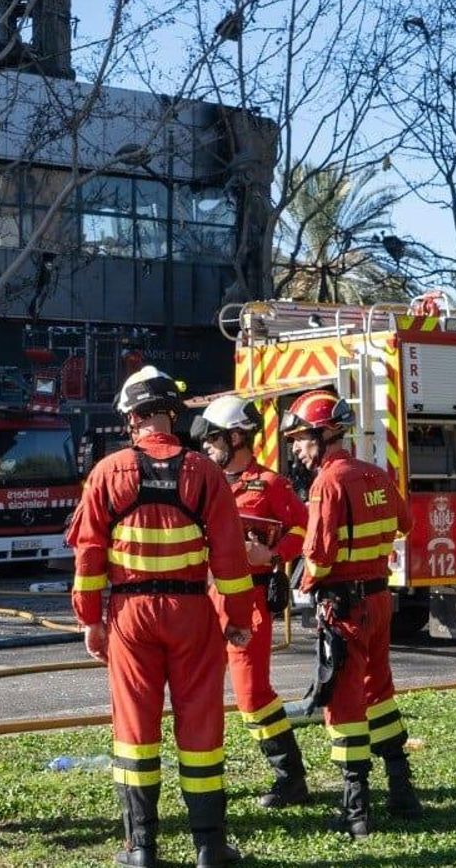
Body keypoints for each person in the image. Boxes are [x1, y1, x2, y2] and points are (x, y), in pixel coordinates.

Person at [67, 366, 257, 868]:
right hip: (193, 612)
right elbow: (231, 560)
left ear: (132, 418)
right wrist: (238, 617)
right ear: (172, 416)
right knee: (200, 728)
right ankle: (210, 846)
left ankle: (141, 848)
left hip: (131, 616)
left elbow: (89, 556)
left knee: (134, 727)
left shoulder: (108, 472)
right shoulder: (206, 473)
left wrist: (91, 619)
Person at [282, 389, 422, 839]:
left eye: (301, 439)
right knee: (379, 693)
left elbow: (319, 557)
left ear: (325, 435)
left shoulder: (328, 483)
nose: (297, 450)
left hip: (343, 608)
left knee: (343, 702)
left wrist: (298, 583)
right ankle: (402, 789)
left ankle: (356, 807)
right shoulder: (376, 475)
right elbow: (405, 524)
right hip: (379, 602)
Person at [190, 394, 312, 809]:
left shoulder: (271, 484)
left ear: (237, 438)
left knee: (252, 694)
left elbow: (304, 531)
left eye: (213, 440)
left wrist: (274, 555)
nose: (206, 448)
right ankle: (208, 778)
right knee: (200, 693)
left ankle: (290, 778)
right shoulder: (204, 484)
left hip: (251, 598)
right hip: (206, 600)